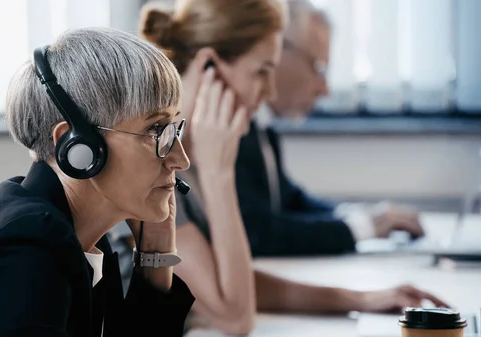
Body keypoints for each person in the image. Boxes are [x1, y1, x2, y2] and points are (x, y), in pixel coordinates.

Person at [134, 0, 449, 335]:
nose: (269, 91)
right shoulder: (156, 158)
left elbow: (224, 280)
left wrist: (358, 299)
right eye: (261, 72)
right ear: (209, 66)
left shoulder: (185, 155)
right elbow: (231, 316)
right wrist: (218, 174)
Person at [0, 27, 194, 337]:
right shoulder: (27, 242)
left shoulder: (80, 235)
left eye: (173, 129)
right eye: (155, 130)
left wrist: (156, 251)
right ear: (77, 147)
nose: (181, 159)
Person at [236, 0, 425, 256]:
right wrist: (362, 228)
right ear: (277, 51)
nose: (324, 89)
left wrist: (357, 215)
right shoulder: (232, 124)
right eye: (318, 68)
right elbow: (258, 233)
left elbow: (289, 198)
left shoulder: (263, 124)